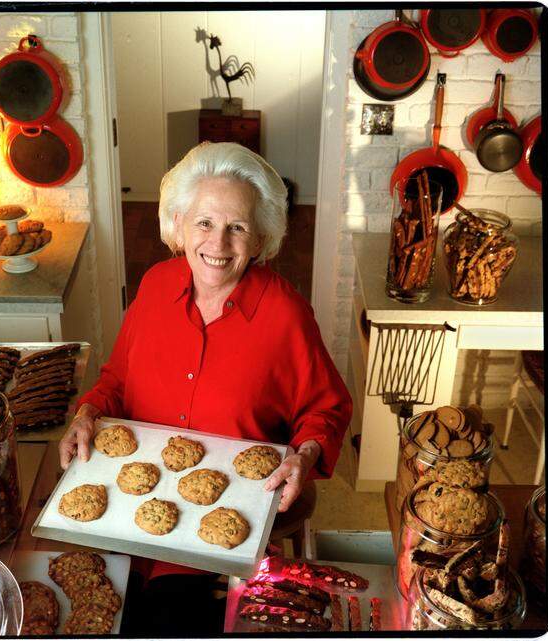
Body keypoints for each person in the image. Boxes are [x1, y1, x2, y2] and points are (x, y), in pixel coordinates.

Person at [59, 141, 352, 635]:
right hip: (121, 515)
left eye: (237, 227)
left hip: (217, 541)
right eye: (204, 223)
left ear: (259, 240)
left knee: (167, 623)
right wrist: (87, 415)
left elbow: (325, 408)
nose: (218, 244)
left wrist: (303, 455)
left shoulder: (285, 315)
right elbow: (117, 381)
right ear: (177, 226)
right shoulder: (154, 286)